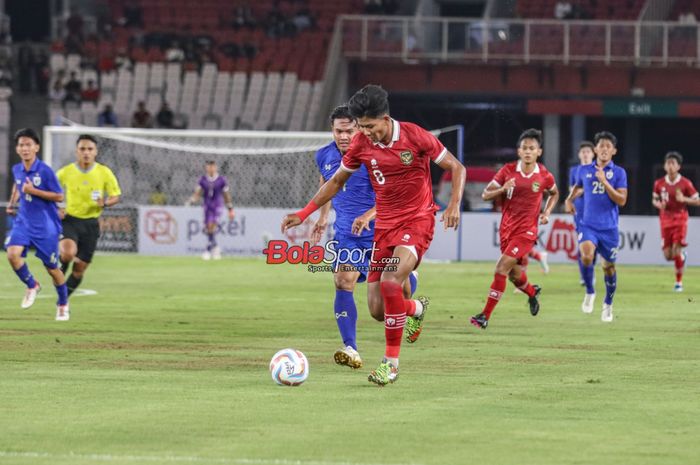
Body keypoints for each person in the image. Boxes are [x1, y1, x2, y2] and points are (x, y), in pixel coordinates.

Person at [282, 85, 466, 386]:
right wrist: (304, 213)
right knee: (379, 310)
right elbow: (336, 181)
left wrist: (454, 205)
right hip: (384, 229)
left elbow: (456, 167)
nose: (364, 133)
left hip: (417, 221)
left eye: (368, 127)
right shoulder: (361, 146)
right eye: (361, 128)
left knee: (392, 282)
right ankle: (417, 308)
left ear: (384, 118)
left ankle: (389, 364)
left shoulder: (414, 135)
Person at [311, 104, 419, 370]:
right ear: (332, 130)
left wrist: (369, 216)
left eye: (349, 131)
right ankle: (351, 348)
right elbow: (327, 184)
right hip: (348, 235)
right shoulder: (323, 155)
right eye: (339, 131)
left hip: (383, 232)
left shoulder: (374, 154)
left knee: (384, 306)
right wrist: (323, 217)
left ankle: (415, 306)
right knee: (343, 281)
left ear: (358, 128)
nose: (344, 137)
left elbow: (392, 194)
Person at [470, 129, 559, 330]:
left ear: (539, 151)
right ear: (519, 151)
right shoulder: (507, 171)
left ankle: (484, 316)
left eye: (532, 148)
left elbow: (554, 193)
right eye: (525, 148)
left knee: (501, 268)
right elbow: (485, 195)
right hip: (506, 230)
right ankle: (532, 293)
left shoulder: (544, 175)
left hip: (526, 232)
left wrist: (546, 213)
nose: (528, 151)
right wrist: (503, 189)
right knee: (514, 275)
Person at [4, 128, 69, 320]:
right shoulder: (17, 169)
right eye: (21, 145)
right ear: (17, 149)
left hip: (46, 226)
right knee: (12, 254)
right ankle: (32, 285)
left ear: (36, 147)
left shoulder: (45, 171)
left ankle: (63, 303)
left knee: (52, 268)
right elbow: (18, 185)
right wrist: (12, 202)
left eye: (28, 145)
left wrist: (34, 191)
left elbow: (59, 195)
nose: (25, 148)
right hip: (24, 221)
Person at [565, 131, 628, 322]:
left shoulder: (619, 173)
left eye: (609, 146)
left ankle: (608, 303)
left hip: (609, 228)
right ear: (596, 149)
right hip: (588, 224)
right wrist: (569, 200)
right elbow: (577, 187)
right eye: (601, 145)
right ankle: (590, 292)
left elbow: (622, 200)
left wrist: (605, 182)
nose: (604, 149)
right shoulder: (584, 170)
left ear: (614, 151)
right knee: (585, 255)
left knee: (608, 267)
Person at [57, 135, 121, 297]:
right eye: (82, 149)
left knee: (79, 270)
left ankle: (63, 299)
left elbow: (115, 196)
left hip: (91, 224)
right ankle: (59, 270)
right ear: (77, 151)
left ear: (96, 152)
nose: (86, 152)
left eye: (90, 149)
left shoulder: (104, 172)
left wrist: (105, 203)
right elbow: (51, 191)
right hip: (70, 220)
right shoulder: (66, 172)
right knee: (68, 253)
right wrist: (57, 207)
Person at [652, 151, 699, 292]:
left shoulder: (685, 183)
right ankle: (681, 257)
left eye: (673, 163)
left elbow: (697, 200)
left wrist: (684, 199)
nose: (670, 166)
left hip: (680, 218)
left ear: (678, 166)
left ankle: (678, 283)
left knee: (676, 249)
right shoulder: (659, 183)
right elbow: (654, 199)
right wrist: (658, 205)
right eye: (668, 163)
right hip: (665, 219)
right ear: (665, 166)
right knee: (668, 256)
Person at [187, 161, 235, 260]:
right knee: (208, 227)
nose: (211, 168)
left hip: (217, 205)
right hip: (207, 205)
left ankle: (208, 250)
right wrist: (192, 200)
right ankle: (216, 247)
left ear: (216, 167)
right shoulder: (203, 180)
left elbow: (226, 195)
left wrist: (230, 208)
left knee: (212, 225)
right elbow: (198, 193)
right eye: (209, 167)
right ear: (206, 168)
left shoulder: (221, 180)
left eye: (212, 166)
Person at [569, 141, 596, 285]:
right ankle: (584, 276)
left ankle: (590, 271)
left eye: (588, 151)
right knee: (582, 243)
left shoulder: (598, 169)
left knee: (595, 245)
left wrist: (582, 190)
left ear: (593, 154)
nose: (585, 154)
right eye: (583, 151)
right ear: (579, 154)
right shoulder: (574, 171)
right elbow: (571, 191)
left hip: (596, 212)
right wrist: (587, 189)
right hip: (580, 212)